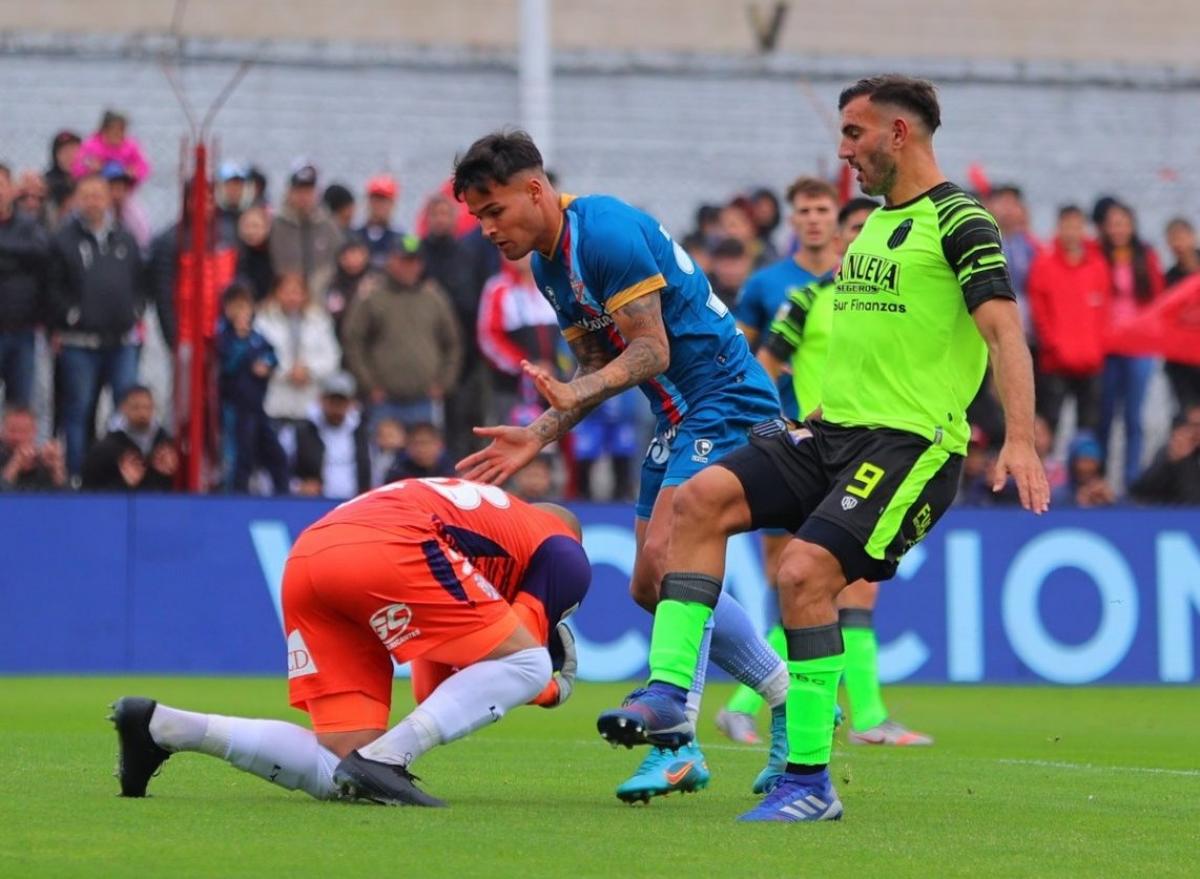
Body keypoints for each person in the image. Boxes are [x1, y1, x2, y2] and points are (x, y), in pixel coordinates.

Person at [603, 75, 1049, 823]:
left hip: (911, 446)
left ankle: (809, 780)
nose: (844, 151)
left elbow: (1005, 331)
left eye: (854, 134)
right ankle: (669, 700)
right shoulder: (872, 227)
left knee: (806, 574)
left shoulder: (961, 220)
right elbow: (875, 337)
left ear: (898, 134)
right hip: (830, 430)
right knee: (700, 498)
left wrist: (1023, 439)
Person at [453, 131, 788, 803]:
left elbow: (653, 349)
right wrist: (538, 433)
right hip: (678, 415)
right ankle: (790, 700)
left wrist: (577, 393)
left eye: (494, 209)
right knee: (648, 585)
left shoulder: (602, 230)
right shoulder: (550, 265)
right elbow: (589, 369)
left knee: (671, 562)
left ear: (535, 190)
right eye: (477, 216)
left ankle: (676, 743)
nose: (487, 228)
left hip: (724, 399)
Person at [111, 477, 590, 807]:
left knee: (337, 770)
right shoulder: (564, 550)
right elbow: (524, 660)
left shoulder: (495, 525)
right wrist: (550, 690)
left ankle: (164, 728)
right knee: (528, 663)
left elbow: (432, 688)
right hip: (392, 546)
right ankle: (387, 759)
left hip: (309, 556)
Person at [716, 195, 930, 747]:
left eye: (869, 230)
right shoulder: (806, 299)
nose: (862, 239)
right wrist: (774, 431)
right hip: (815, 456)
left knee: (842, 593)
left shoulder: (899, 302)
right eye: (853, 230)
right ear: (839, 241)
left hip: (875, 454)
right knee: (817, 589)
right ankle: (860, 718)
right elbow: (763, 367)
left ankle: (757, 706)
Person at [48, 173, 147, 478]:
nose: (93, 201)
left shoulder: (125, 238)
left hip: (121, 341)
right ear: (78, 198)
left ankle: (125, 478)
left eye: (99, 194)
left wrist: (135, 311)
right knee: (78, 412)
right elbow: (52, 287)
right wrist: (71, 316)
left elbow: (140, 282)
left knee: (126, 412)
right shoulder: (63, 239)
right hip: (80, 342)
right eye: (87, 194)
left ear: (108, 199)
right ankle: (80, 477)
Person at [735, 177, 842, 421]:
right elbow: (736, 352)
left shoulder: (855, 281)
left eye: (822, 210)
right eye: (804, 211)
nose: (813, 219)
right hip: (783, 416)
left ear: (837, 218)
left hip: (846, 417)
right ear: (792, 221)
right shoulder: (763, 282)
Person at [341, 235, 462, 429]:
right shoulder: (372, 297)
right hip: (383, 401)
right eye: (404, 260)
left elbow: (452, 343)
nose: (410, 267)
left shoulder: (434, 298)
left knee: (425, 457)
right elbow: (353, 342)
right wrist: (369, 385)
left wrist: (444, 383)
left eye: (414, 261)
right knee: (382, 457)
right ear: (390, 261)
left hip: (424, 400)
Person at [1096, 201, 1165, 487]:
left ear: (1132, 225)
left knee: (1134, 418)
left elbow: (1159, 297)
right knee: (1105, 415)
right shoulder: (1097, 256)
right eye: (1113, 223)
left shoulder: (1145, 256)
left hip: (1139, 348)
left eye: (1123, 223)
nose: (1118, 229)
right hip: (1107, 348)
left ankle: (1131, 480)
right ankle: (1098, 478)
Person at [1026, 205, 1111, 433]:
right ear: (1058, 228)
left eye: (1077, 227)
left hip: (1090, 360)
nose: (1072, 232)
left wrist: (1099, 347)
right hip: (1056, 360)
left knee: (1089, 424)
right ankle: (1046, 467)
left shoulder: (1097, 265)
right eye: (1067, 226)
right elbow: (1039, 312)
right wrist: (1053, 344)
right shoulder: (1044, 264)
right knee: (1050, 420)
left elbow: (1104, 311)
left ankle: (1085, 467)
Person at [215, 282, 289, 494]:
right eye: (235, 307)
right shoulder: (225, 336)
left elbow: (273, 355)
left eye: (244, 306)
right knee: (240, 457)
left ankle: (284, 498)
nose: (241, 313)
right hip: (235, 410)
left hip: (257, 408)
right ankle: (236, 499)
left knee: (276, 456)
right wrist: (242, 344)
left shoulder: (257, 336)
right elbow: (226, 365)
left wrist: (266, 363)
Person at [254, 272, 342, 424]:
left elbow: (332, 357)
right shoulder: (263, 321)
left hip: (310, 402)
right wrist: (288, 371)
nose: (292, 298)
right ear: (277, 293)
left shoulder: (319, 320)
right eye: (287, 292)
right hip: (274, 402)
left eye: (297, 292)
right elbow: (259, 359)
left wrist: (308, 370)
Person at [0, 163, 51, 408]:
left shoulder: (29, 226)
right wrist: (18, 260)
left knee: (21, 404)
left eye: (1, 185)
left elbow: (43, 257)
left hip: (22, 332)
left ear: (12, 190)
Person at [289, 370, 371, 498]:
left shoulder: (362, 432)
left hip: (354, 505)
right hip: (312, 503)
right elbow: (279, 469)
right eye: (332, 401)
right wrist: (298, 486)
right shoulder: (301, 431)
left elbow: (374, 472)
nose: (336, 408)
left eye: (342, 402)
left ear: (351, 403)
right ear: (321, 400)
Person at [81, 385, 177, 491]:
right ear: (123, 408)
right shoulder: (106, 449)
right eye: (136, 407)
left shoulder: (165, 445)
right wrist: (123, 482)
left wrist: (169, 472)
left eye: (147, 407)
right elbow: (90, 487)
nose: (142, 413)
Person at [269, 162, 343, 298]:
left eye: (308, 191)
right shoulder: (276, 225)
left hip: (321, 298)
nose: (303, 196)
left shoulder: (328, 225)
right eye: (299, 191)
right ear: (289, 192)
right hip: (284, 297)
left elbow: (337, 262)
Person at [1162, 218, 1200, 414]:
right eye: (1173, 240)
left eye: (1182, 238)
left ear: (1193, 237)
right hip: (1181, 362)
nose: (1179, 244)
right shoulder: (1169, 279)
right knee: (1188, 416)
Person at [1129, 404, 1200, 504]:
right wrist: (1175, 460)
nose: (1197, 431)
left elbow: (1195, 500)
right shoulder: (1172, 451)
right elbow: (1140, 491)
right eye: (1194, 426)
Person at [72, 110, 150, 185]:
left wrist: (134, 171)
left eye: (121, 129)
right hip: (96, 185)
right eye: (113, 129)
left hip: (121, 187)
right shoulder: (91, 145)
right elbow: (77, 166)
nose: (117, 133)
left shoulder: (130, 146)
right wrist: (89, 168)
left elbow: (144, 167)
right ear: (104, 130)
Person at [0, 405, 66, 491]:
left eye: (24, 431)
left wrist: (57, 470)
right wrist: (14, 465)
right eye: (13, 431)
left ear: (34, 432)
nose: (18, 437)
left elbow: (69, 500)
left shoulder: (44, 461)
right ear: (3, 432)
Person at [356, 174, 402, 268]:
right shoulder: (354, 236)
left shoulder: (400, 239)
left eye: (384, 200)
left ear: (392, 204)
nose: (379, 205)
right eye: (376, 199)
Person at [385, 421, 454, 481]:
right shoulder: (397, 476)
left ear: (439, 445)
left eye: (426, 443)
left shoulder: (453, 473)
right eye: (416, 443)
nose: (421, 449)